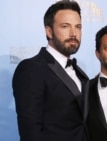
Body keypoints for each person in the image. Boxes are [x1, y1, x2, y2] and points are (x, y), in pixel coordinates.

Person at [12, 1, 89, 141]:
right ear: (49, 31)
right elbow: (31, 133)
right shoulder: (32, 69)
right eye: (65, 26)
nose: (73, 33)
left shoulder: (80, 72)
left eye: (78, 27)